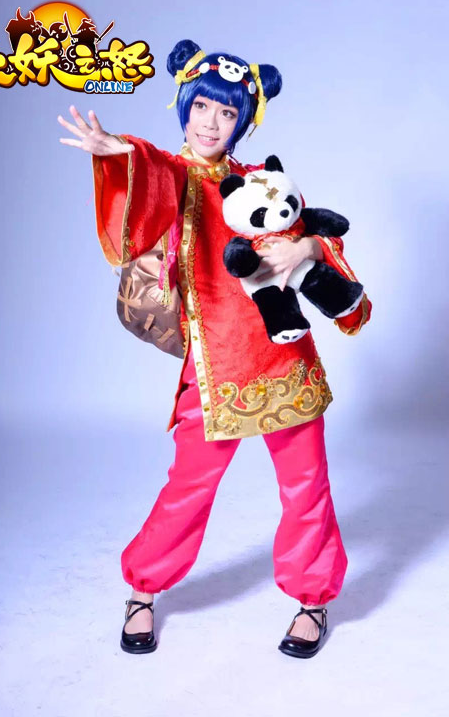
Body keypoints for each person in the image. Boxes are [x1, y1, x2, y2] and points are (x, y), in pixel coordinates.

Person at [58, 39, 372, 659]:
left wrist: (305, 248)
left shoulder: (258, 183)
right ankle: (143, 588)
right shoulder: (172, 175)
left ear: (244, 121)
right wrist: (120, 153)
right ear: (184, 106)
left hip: (284, 360)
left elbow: (319, 236)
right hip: (213, 366)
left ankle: (313, 598)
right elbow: (153, 171)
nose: (210, 123)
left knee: (307, 485)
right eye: (201, 106)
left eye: (227, 112)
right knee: (189, 486)